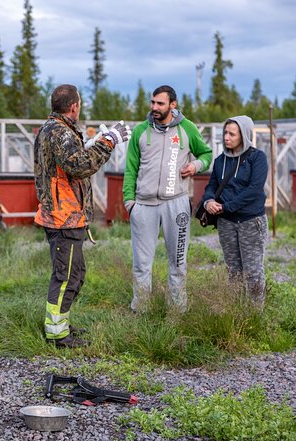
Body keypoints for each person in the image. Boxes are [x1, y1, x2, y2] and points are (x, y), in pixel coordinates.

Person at [34, 84, 130, 348]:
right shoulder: (60, 132)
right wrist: (107, 142)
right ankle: (57, 333)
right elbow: (80, 166)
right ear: (74, 106)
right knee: (66, 277)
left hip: (62, 215)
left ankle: (61, 325)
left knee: (75, 274)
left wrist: (90, 144)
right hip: (64, 217)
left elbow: (67, 162)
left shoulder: (50, 128)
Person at [122, 85, 213, 313]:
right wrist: (129, 203)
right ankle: (141, 309)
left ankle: (177, 310)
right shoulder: (140, 131)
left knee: (178, 262)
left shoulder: (187, 128)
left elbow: (207, 154)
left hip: (177, 204)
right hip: (143, 205)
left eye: (160, 103)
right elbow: (131, 169)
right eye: (153, 102)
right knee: (141, 264)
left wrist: (196, 165)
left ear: (173, 105)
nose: (154, 107)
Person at [201, 116, 268, 308]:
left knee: (253, 271)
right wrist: (209, 201)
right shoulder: (220, 161)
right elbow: (211, 186)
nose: (226, 137)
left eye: (232, 134)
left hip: (250, 222)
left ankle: (255, 316)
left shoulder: (257, 158)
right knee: (234, 271)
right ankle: (237, 313)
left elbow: (254, 190)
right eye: (225, 133)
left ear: (244, 135)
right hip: (226, 223)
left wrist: (226, 206)